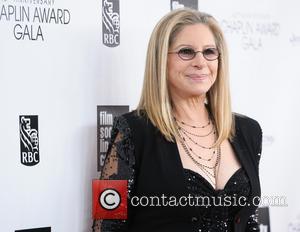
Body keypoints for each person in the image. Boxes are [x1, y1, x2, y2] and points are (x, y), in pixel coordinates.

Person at [92, 8, 263, 232]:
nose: (201, 62)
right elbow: (106, 223)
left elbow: (248, 221)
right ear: (161, 60)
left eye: (209, 51)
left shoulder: (248, 130)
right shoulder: (131, 131)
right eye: (186, 52)